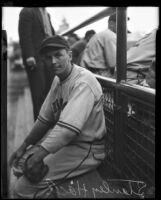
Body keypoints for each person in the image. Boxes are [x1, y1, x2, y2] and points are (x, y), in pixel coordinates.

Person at [9, 35, 106, 198]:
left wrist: (38, 155)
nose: (53, 61)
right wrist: (23, 147)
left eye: (58, 55)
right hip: (68, 145)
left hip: (87, 148)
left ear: (69, 55)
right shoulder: (58, 79)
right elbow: (44, 119)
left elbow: (67, 131)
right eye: (48, 57)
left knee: (21, 189)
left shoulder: (83, 82)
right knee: (19, 166)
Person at [18, 7, 55, 121]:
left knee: (51, 92)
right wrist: (29, 55)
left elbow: (51, 34)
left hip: (49, 57)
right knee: (39, 94)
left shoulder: (46, 14)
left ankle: (49, 124)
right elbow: (25, 35)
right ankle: (39, 129)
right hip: (36, 58)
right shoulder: (27, 11)